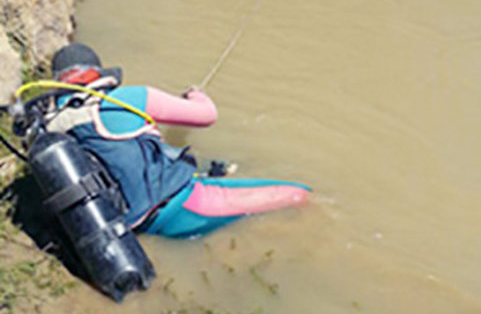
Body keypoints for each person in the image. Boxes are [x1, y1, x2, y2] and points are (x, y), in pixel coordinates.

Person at [43, 43, 310, 238]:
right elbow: (208, 116)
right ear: (99, 74)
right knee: (299, 195)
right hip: (179, 209)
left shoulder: (51, 125)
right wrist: (196, 95)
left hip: (130, 221)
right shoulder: (127, 98)